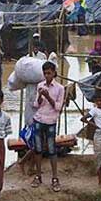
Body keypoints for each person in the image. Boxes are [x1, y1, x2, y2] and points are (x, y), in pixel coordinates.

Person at [32, 63, 66, 192]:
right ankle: (38, 176)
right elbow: (36, 105)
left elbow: (58, 107)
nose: (47, 76)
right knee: (38, 149)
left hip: (51, 121)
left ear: (54, 73)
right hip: (39, 119)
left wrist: (47, 96)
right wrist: (40, 96)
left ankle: (55, 178)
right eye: (45, 73)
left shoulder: (60, 88)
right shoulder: (40, 85)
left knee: (52, 150)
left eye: (49, 73)